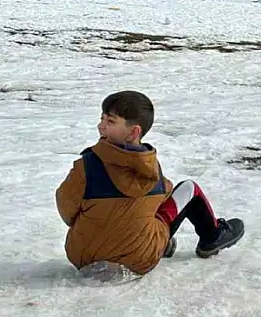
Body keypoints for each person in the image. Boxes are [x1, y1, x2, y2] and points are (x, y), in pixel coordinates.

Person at [56, 91, 244, 276]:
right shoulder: (150, 168)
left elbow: (67, 212)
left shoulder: (85, 166)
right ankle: (211, 237)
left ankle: (157, 241)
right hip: (138, 260)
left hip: (84, 258)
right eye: (102, 119)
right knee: (188, 189)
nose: (101, 126)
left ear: (134, 131)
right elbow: (164, 195)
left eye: (110, 121)